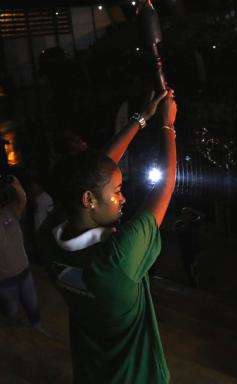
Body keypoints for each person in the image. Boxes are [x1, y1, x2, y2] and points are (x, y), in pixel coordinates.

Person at [39, 88, 177, 383]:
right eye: (117, 192)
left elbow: (96, 171)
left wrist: (141, 119)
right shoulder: (116, 259)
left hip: (92, 371)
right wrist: (167, 124)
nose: (123, 198)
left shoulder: (48, 239)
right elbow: (166, 184)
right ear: (88, 200)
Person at [0, 175, 47, 335]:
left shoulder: (9, 214)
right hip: (2, 281)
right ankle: (15, 331)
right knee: (12, 310)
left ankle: (37, 327)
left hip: (24, 273)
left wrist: (16, 184)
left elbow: (22, 200)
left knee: (32, 305)